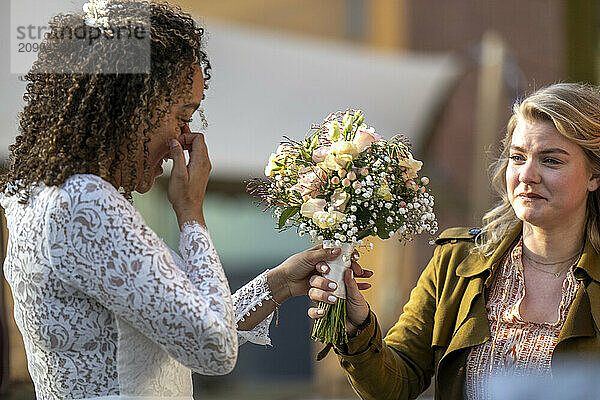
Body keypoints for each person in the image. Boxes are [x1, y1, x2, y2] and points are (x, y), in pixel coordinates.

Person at [0, 1, 369, 399]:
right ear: (132, 107)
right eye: (182, 115)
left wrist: (278, 283)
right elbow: (214, 349)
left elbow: (184, 326)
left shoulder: (41, 197)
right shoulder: (85, 203)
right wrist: (191, 215)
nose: (183, 138)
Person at [308, 82, 600, 399]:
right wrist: (357, 325)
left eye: (551, 160)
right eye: (517, 157)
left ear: (594, 175)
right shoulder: (457, 260)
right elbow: (395, 384)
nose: (527, 175)